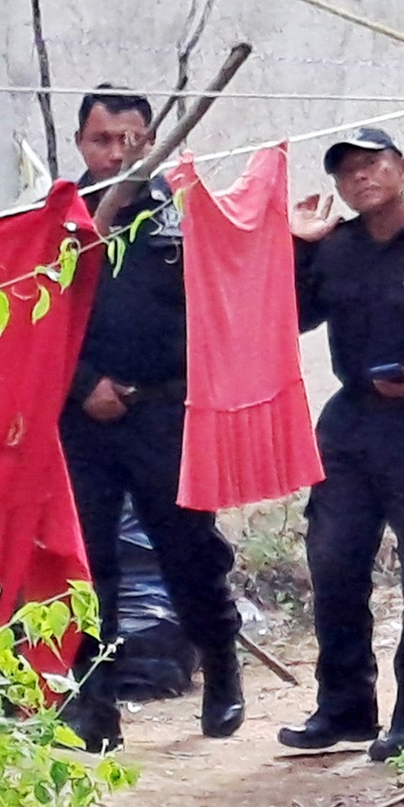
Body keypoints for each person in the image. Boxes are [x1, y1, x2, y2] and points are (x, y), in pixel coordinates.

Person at [57, 86, 245, 753]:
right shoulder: (58, 218)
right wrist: (84, 386)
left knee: (190, 554)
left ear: (151, 139)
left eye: (131, 139)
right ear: (81, 143)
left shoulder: (183, 211)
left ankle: (220, 662)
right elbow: (31, 318)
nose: (117, 153)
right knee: (88, 565)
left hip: (165, 412)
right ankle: (94, 702)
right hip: (80, 419)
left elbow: (225, 301)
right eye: (103, 140)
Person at [278, 128, 404, 762]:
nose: (360, 179)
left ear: (402, 169)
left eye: (373, 166)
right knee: (335, 563)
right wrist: (296, 247)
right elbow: (290, 316)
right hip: (351, 420)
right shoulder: (337, 248)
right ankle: (344, 708)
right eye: (347, 173)